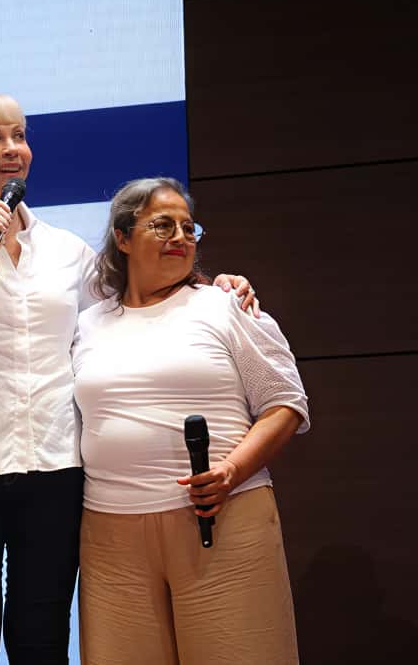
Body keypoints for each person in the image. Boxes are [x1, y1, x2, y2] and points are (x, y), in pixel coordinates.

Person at [0, 93, 257, 665]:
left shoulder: (67, 251)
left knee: (41, 643)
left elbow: (135, 301)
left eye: (19, 135)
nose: (12, 149)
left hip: (54, 467)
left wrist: (216, 284)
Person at [71, 176, 309, 665]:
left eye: (188, 227)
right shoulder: (87, 325)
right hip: (109, 537)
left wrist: (231, 472)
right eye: (162, 225)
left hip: (223, 517)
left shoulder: (227, 305)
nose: (180, 237)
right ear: (122, 237)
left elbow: (285, 404)